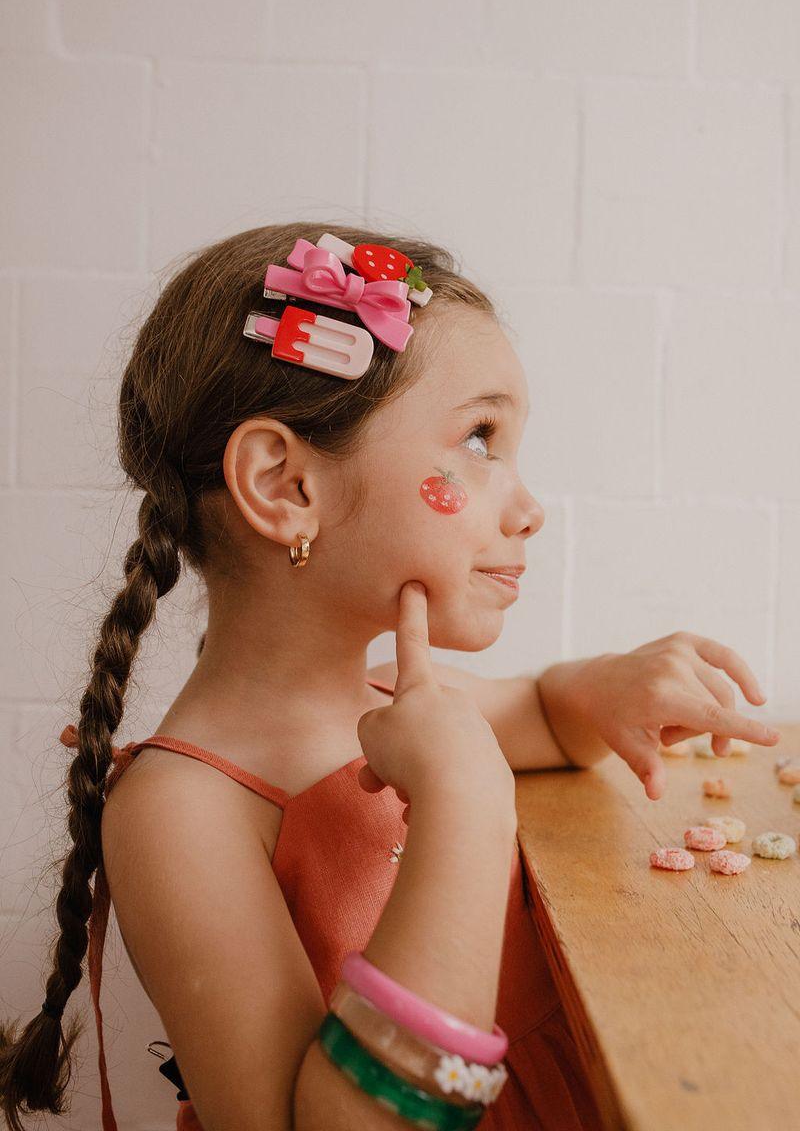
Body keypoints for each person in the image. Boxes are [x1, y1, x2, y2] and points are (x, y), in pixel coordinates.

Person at [0, 221, 611, 1131]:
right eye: (480, 438)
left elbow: (552, 716)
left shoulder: (396, 702)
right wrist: (463, 802)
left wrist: (616, 688)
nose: (528, 509)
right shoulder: (183, 813)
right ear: (285, 486)